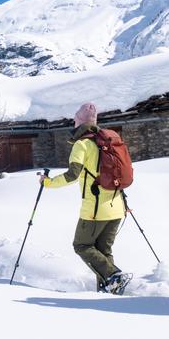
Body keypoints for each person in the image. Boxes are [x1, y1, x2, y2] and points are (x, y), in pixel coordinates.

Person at [39, 102, 127, 292]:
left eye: (75, 120)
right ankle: (109, 290)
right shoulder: (106, 143)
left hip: (95, 210)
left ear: (79, 123)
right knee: (103, 252)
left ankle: (114, 276)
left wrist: (48, 183)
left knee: (82, 245)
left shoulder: (82, 145)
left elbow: (72, 175)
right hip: (117, 207)